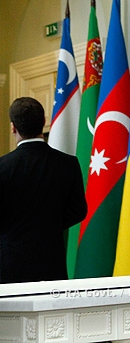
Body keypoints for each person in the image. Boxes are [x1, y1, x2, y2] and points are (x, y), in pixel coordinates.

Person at [0, 97, 87, 283]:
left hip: (9, 267)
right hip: (51, 264)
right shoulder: (68, 164)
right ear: (44, 122)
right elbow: (79, 211)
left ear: (13, 127)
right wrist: (49, 224)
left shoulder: (2, 167)